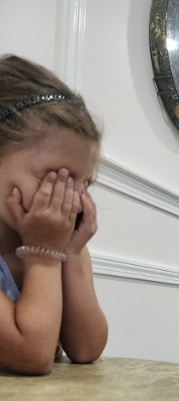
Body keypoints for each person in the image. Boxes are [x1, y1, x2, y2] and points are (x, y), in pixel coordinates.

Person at [0, 54, 107, 375]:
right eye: (55, 177)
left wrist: (70, 255)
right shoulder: (46, 247)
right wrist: (43, 256)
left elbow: (87, 349)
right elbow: (32, 354)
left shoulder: (64, 245)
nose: (73, 200)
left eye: (85, 183)